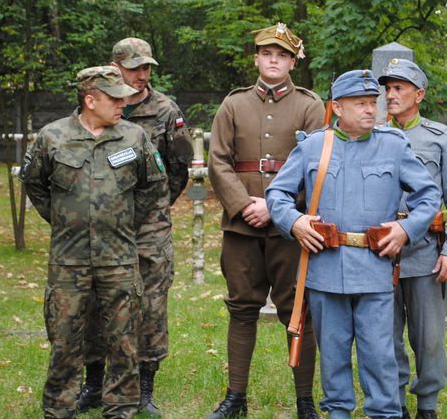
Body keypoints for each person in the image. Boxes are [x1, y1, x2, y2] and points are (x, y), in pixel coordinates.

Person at [266, 69, 441, 419]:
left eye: (372, 103)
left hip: (375, 272)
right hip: (326, 271)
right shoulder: (314, 146)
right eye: (360, 103)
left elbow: (429, 195)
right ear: (337, 108)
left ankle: (385, 413)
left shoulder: (393, 145)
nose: (370, 110)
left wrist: (407, 231)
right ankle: (338, 413)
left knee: (379, 357)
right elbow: (277, 193)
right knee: (332, 358)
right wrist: (295, 221)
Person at [19, 66, 168, 418]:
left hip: (118, 259)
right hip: (68, 261)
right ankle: (59, 409)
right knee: (65, 342)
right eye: (114, 98)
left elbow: (153, 184)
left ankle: (121, 410)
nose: (122, 103)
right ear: (90, 100)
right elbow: (35, 184)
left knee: (124, 343)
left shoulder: (134, 138)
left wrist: (122, 220)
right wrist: (63, 219)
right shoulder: (52, 137)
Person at [207, 23, 325, 419]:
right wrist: (242, 204)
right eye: (267, 54)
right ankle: (235, 398)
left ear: (293, 62)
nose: (274, 61)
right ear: (257, 58)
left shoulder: (310, 106)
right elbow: (218, 161)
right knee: (242, 307)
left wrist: (277, 208)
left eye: (282, 55)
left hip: (290, 228)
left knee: (297, 311)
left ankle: (304, 401)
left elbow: (318, 167)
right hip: (241, 227)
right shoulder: (233, 105)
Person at [78, 37, 193, 417]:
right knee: (93, 301)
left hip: (148, 228)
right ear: (115, 68)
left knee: (150, 305)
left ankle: (144, 389)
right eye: (134, 68)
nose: (142, 75)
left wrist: (150, 209)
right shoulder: (98, 105)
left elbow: (176, 171)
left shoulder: (165, 110)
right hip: (100, 227)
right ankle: (94, 383)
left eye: (147, 68)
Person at [378, 59, 447, 419]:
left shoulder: (441, 138)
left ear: (420, 94)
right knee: (386, 335)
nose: (391, 95)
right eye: (387, 88)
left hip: (424, 254)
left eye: (399, 88)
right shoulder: (376, 136)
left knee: (428, 337)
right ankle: (395, 403)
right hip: (381, 253)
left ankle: (427, 406)